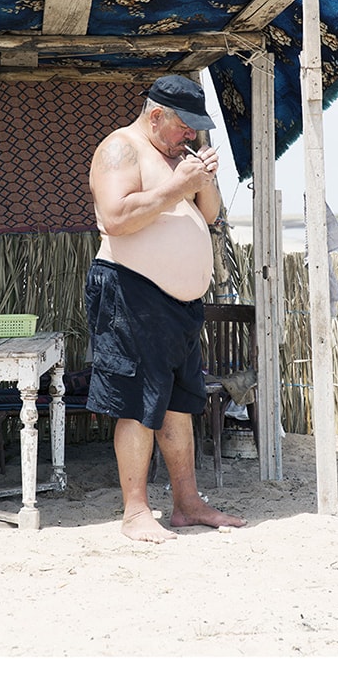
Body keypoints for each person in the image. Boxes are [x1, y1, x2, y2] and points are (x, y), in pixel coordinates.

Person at [86, 74, 246, 542]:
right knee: (137, 404)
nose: (191, 135)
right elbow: (116, 218)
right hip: (130, 291)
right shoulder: (121, 148)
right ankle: (136, 512)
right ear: (157, 116)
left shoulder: (180, 159)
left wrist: (203, 179)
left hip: (179, 305)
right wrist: (179, 186)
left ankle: (187, 504)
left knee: (178, 404)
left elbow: (211, 215)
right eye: (184, 126)